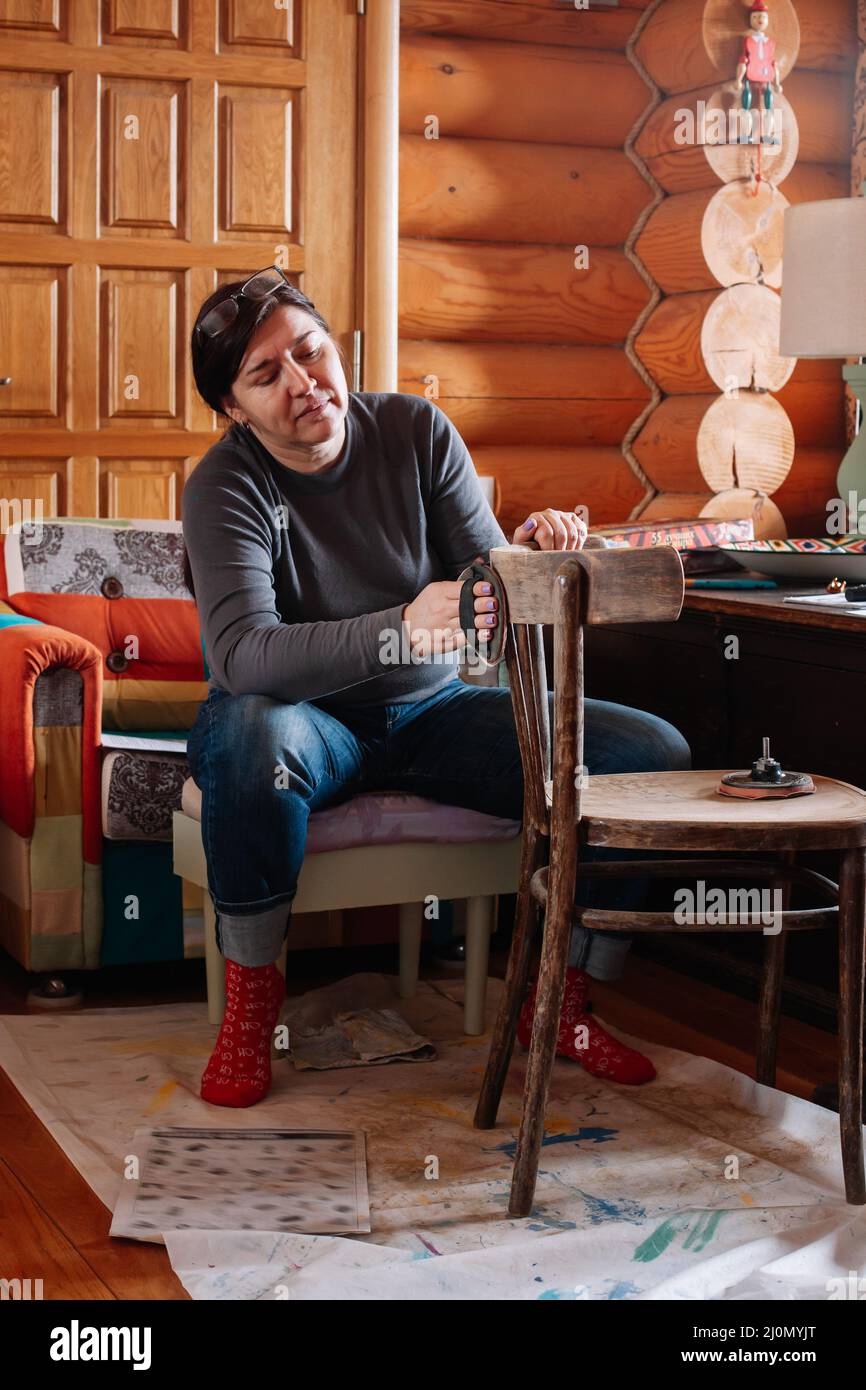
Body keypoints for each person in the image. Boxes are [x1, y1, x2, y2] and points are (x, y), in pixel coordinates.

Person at [183, 267, 692, 1108]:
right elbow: (243, 656)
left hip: (436, 709)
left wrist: (524, 556)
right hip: (310, 724)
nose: (303, 384)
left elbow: (486, 598)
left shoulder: (416, 430)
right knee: (250, 733)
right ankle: (252, 1009)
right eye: (266, 376)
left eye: (309, 352)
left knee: (650, 752)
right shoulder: (225, 485)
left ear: (334, 344)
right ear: (234, 408)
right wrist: (397, 625)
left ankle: (556, 1000)